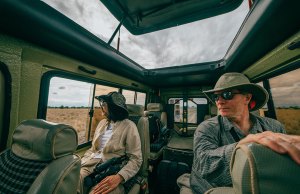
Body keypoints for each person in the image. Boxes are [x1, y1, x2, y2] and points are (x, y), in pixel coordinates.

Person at [183, 72, 300, 194]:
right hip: (211, 188)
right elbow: (204, 164)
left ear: (247, 98)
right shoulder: (207, 128)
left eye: (227, 95)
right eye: (216, 97)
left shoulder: (273, 127)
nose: (219, 101)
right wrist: (245, 145)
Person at [78, 92, 142, 194]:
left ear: (113, 108)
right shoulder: (102, 123)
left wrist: (119, 177)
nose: (101, 108)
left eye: (103, 105)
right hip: (91, 163)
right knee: (70, 181)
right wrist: (81, 162)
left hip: (112, 168)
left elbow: (136, 159)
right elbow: (93, 149)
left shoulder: (129, 126)